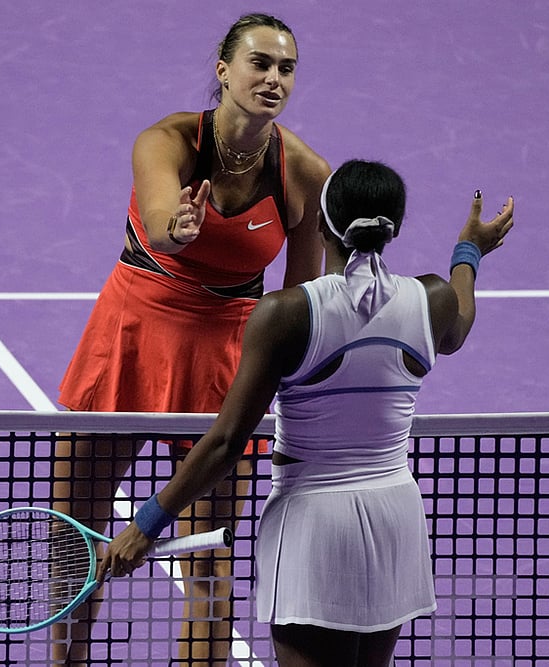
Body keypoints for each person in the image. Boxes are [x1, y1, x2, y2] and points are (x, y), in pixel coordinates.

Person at [98, 159, 515, 667]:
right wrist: (469, 250)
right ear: (393, 229)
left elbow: (228, 441)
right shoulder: (433, 299)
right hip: (396, 518)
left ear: (320, 225)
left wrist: (145, 524)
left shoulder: (285, 313)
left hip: (314, 527)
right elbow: (461, 319)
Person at [53, 13, 331, 667]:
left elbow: (297, 300)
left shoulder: (306, 173)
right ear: (224, 70)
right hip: (128, 339)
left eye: (285, 68)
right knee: (71, 538)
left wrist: (288, 386)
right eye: (259, 63)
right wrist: (176, 229)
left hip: (225, 360)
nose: (272, 78)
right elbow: (156, 219)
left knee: (210, 562)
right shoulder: (169, 140)